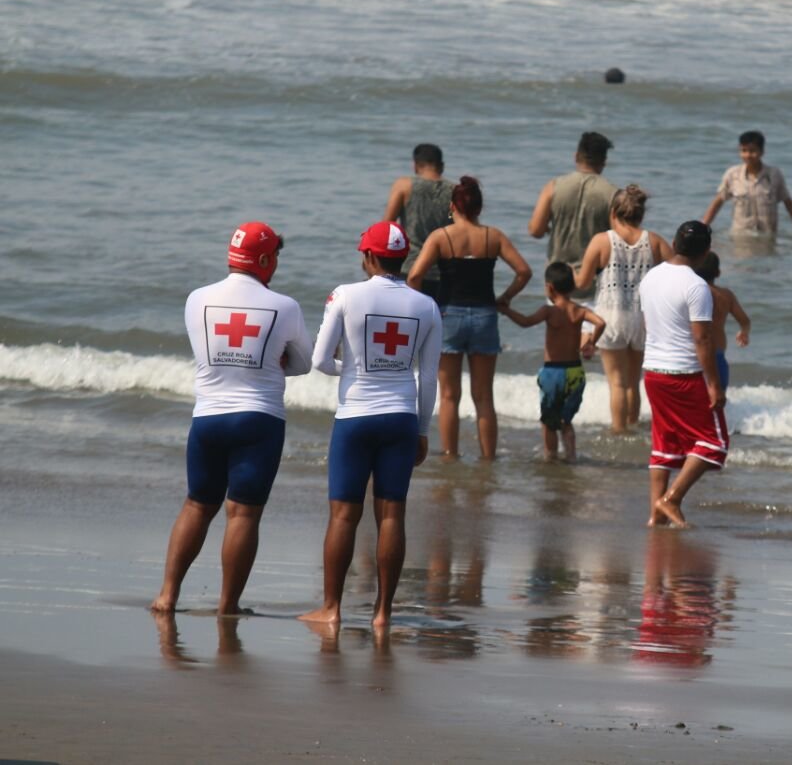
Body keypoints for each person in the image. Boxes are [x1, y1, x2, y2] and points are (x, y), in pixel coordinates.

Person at [152, 222, 312, 616]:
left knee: (196, 505)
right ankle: (228, 605)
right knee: (242, 513)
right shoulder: (285, 307)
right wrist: (273, 364)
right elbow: (304, 364)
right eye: (274, 256)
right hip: (259, 420)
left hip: (207, 419)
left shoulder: (196, 299)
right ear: (264, 259)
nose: (276, 263)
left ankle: (167, 597)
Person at [299, 221, 443, 628]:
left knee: (344, 515)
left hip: (356, 417)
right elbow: (428, 378)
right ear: (403, 259)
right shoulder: (426, 306)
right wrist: (422, 431)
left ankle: (332, 609)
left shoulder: (346, 296)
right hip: (400, 418)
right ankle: (383, 613)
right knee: (392, 515)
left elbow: (320, 361)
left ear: (369, 257)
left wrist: (354, 369)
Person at [408, 176, 532, 458]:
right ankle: (488, 457)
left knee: (450, 395)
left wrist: (426, 306)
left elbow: (415, 276)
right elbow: (524, 272)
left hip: (448, 314)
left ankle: (451, 455)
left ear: (453, 206)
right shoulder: (493, 236)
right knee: (484, 396)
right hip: (485, 316)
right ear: (479, 207)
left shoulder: (441, 237)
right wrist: (505, 298)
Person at [640, 220, 728, 528]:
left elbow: (649, 324)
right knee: (714, 443)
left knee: (664, 445)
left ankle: (655, 515)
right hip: (684, 375)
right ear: (705, 253)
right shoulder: (695, 285)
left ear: (675, 243)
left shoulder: (651, 276)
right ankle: (672, 499)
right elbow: (702, 339)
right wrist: (714, 385)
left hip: (652, 371)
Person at [576, 184, 673, 433]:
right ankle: (632, 426)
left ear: (613, 213)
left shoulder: (601, 241)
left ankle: (619, 432)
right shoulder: (655, 241)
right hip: (642, 319)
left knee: (617, 383)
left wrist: (568, 274)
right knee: (633, 383)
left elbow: (583, 283)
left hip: (610, 317)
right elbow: (677, 272)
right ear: (641, 215)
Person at [498, 262, 606, 461]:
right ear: (573, 287)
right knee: (566, 420)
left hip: (553, 373)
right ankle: (571, 456)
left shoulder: (549, 312)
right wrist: (591, 342)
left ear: (549, 287)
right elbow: (601, 322)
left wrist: (506, 311)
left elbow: (525, 322)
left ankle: (551, 456)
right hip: (575, 372)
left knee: (549, 421)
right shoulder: (579, 311)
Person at [529, 131, 617, 298]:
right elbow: (617, 242)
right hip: (593, 286)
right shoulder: (612, 194)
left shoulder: (553, 187)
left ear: (576, 156)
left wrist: (550, 228)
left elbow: (535, 230)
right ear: (604, 161)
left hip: (557, 283)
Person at [702, 130, 792, 239]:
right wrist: (704, 226)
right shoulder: (732, 174)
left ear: (762, 151)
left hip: (767, 237)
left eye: (752, 151)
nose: (748, 155)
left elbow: (788, 203)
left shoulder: (774, 174)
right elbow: (718, 202)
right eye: (744, 150)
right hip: (740, 237)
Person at [382, 143, 455, 300]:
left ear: (415, 165)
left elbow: (387, 226)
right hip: (442, 273)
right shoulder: (454, 191)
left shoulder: (404, 186)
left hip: (408, 268)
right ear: (441, 166)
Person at [693, 251, 751, 390]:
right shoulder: (726, 295)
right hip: (717, 357)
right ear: (718, 273)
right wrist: (744, 332)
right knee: (718, 401)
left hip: (693, 356)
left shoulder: (691, 292)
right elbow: (745, 320)